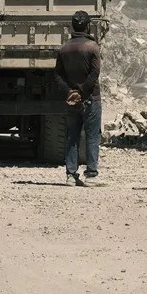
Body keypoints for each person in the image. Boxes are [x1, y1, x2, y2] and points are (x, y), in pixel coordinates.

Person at [54, 10, 102, 186]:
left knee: (71, 136)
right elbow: (95, 72)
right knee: (91, 136)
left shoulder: (64, 48)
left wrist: (70, 91)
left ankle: (70, 175)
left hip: (71, 100)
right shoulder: (92, 47)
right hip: (91, 98)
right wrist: (81, 90)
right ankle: (91, 175)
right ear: (88, 26)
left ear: (72, 27)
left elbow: (58, 75)